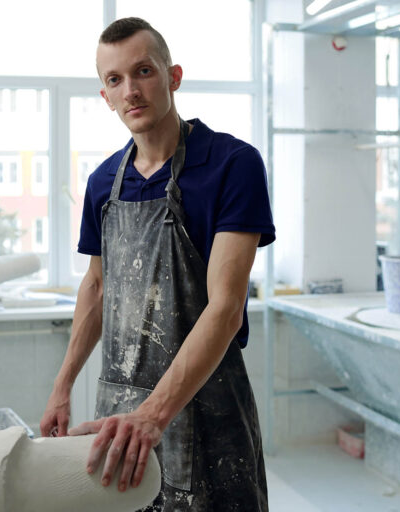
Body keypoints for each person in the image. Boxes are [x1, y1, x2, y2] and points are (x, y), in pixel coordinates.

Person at [40, 17, 275, 511]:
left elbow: (226, 307)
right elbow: (97, 288)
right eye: (114, 79)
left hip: (207, 409)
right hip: (120, 417)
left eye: (143, 71)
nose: (131, 90)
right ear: (105, 95)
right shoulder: (104, 183)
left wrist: (153, 415)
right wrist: (62, 389)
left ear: (173, 76)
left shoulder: (232, 164)